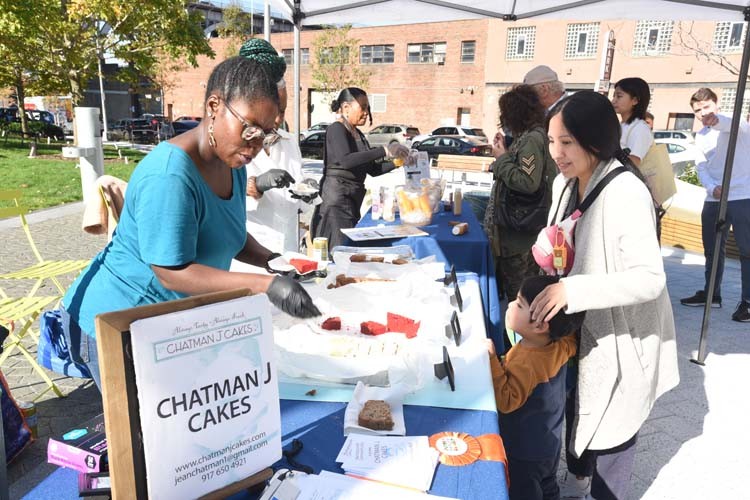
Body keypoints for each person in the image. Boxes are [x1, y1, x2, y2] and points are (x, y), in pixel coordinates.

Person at [61, 57, 321, 391]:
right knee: (147, 437)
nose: (255, 146)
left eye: (266, 136)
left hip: (173, 321)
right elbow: (172, 271)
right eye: (250, 129)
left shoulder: (235, 166)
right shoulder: (170, 174)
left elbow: (231, 236)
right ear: (215, 106)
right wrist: (265, 285)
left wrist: (275, 261)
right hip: (121, 320)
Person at [531, 91, 679, 500]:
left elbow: (649, 279)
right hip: (581, 326)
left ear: (594, 140)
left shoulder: (625, 192)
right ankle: (577, 479)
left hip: (622, 335)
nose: (555, 152)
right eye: (551, 141)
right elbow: (563, 239)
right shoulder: (566, 183)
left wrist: (573, 288)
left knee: (614, 427)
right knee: (580, 405)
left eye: (566, 142)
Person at [487, 275, 583, 500]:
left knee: (524, 491)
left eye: (519, 304)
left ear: (540, 325)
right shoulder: (559, 345)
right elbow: (571, 337)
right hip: (548, 443)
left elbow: (507, 400)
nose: (510, 305)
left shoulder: (527, 362)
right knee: (548, 484)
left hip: (523, 450)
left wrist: (491, 359)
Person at [235, 38, 317, 262]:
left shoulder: (289, 141)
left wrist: (306, 190)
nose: (279, 119)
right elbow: (221, 198)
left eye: (284, 111)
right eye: (274, 111)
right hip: (251, 254)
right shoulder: (232, 144)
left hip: (288, 246)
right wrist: (256, 184)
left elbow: (294, 190)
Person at [679, 87, 750, 322]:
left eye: (706, 107)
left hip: (741, 196)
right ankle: (712, 294)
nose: (702, 113)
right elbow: (701, 166)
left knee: (746, 251)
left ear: (716, 105)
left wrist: (716, 120)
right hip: (714, 199)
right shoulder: (701, 135)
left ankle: (747, 302)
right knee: (712, 250)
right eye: (697, 110)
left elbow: (726, 123)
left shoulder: (736, 124)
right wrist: (712, 187)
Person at [485, 85, 557, 310]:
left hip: (519, 236)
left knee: (519, 299)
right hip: (518, 232)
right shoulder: (527, 138)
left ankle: (517, 342)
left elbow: (528, 182)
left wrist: (502, 159)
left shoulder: (532, 140)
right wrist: (504, 154)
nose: (502, 118)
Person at [311, 88, 410, 249]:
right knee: (340, 250)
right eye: (362, 108)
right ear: (346, 108)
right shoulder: (336, 129)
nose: (366, 113)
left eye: (367, 108)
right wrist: (384, 150)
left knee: (349, 249)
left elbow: (373, 169)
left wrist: (399, 162)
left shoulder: (359, 135)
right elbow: (346, 160)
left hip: (352, 200)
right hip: (336, 201)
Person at [611, 77, 653, 167]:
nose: (613, 100)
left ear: (635, 100)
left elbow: (633, 163)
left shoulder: (640, 128)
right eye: (613, 96)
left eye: (619, 96)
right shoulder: (620, 125)